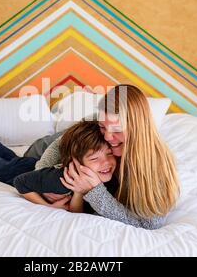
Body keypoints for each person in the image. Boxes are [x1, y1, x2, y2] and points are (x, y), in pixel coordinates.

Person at [41, 84, 180, 229]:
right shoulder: (100, 119)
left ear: (137, 129)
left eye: (117, 130)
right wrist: (43, 177)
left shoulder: (155, 166)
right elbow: (60, 143)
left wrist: (95, 191)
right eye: (102, 127)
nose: (107, 136)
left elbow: (148, 224)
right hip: (47, 144)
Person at [13, 120, 118, 213]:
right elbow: (19, 181)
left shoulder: (112, 181)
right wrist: (47, 206)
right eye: (94, 158)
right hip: (37, 152)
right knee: (3, 167)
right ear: (77, 163)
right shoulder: (60, 180)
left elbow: (80, 213)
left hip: (49, 164)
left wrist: (78, 193)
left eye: (110, 154)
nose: (106, 162)